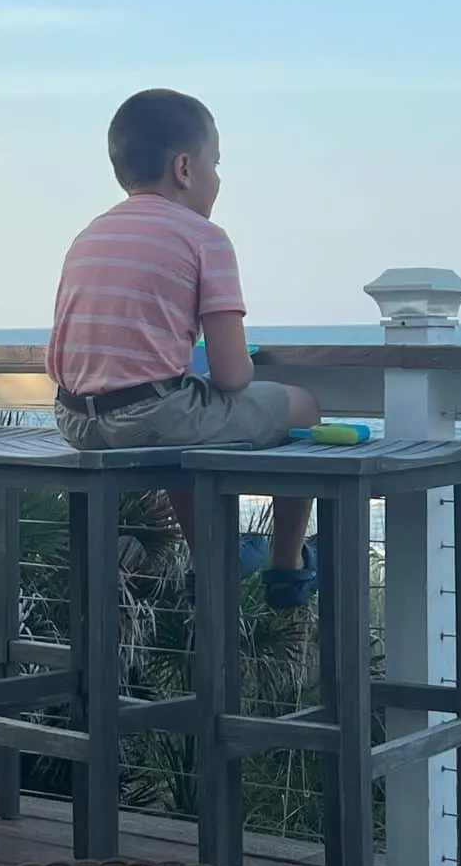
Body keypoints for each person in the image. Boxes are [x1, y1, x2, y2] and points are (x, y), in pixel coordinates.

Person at [45, 88, 320, 609]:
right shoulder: (204, 236)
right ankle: (289, 566)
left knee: (179, 410)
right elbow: (234, 375)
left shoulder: (89, 234)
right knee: (300, 403)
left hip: (76, 420)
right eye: (217, 163)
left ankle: (214, 551)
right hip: (149, 417)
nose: (219, 177)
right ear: (186, 168)